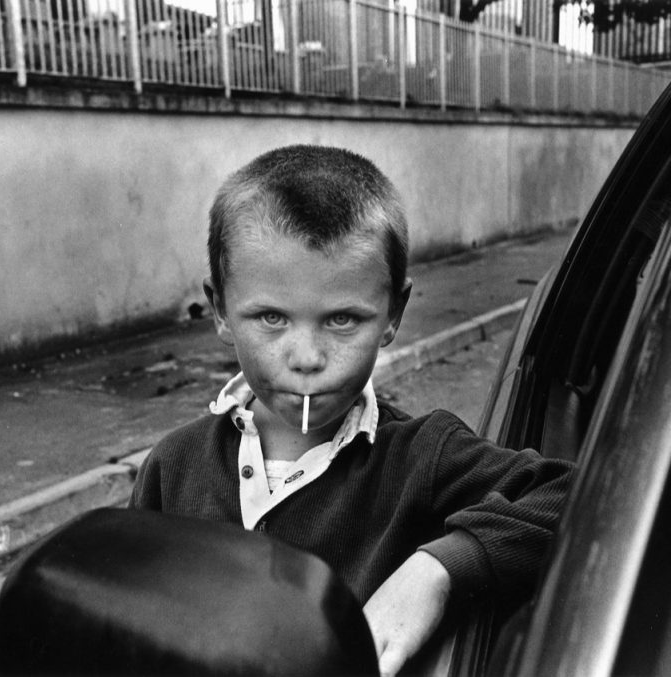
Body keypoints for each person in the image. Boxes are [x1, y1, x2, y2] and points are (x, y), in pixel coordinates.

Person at [129, 144, 573, 676]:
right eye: (270, 318)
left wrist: (438, 568)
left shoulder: (420, 456)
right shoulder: (173, 466)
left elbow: (577, 495)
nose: (307, 359)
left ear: (393, 315)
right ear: (221, 310)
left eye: (342, 320)